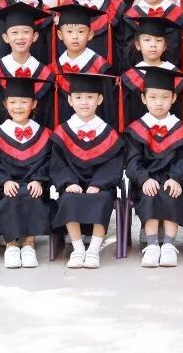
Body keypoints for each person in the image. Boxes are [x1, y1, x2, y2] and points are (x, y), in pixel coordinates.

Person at [50, 73, 127, 269]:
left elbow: (113, 164)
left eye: (90, 97)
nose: (84, 102)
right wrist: (69, 182)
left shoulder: (107, 132)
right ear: (70, 100)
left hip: (100, 185)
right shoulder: (63, 132)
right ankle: (78, 249)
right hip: (72, 184)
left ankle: (93, 249)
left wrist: (98, 184)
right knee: (68, 198)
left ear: (99, 99)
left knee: (103, 198)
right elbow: (58, 164)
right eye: (78, 97)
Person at [0, 76, 56, 269]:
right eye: (13, 102)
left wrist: (39, 180)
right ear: (5, 104)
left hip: (34, 185)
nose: (18, 107)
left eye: (24, 102)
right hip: (5, 187)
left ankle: (29, 244)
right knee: (12, 194)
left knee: (31, 193)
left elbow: (49, 162)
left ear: (34, 104)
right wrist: (4, 180)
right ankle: (11, 245)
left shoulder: (45, 135)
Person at [124, 67, 183, 267]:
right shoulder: (136, 129)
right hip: (146, 180)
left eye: (164, 97)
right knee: (150, 194)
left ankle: (169, 245)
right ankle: (152, 245)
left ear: (173, 98)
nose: (159, 102)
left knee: (172, 193)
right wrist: (144, 179)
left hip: (173, 179)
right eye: (153, 97)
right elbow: (132, 161)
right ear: (143, 99)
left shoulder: (181, 129)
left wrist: (176, 178)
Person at [0, 2, 56, 130]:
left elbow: (47, 116)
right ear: (6, 38)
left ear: (35, 36)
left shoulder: (45, 74)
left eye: (26, 32)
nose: (20, 37)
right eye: (14, 32)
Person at [50, 4, 114, 124]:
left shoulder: (101, 68)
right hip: (62, 131)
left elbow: (107, 109)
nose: (75, 37)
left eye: (81, 31)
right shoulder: (53, 70)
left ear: (90, 35)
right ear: (60, 35)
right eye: (69, 31)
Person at [119, 16, 183, 125]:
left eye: (159, 40)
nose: (153, 45)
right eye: (147, 40)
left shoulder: (176, 76)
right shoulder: (130, 78)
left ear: (165, 46)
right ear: (138, 45)